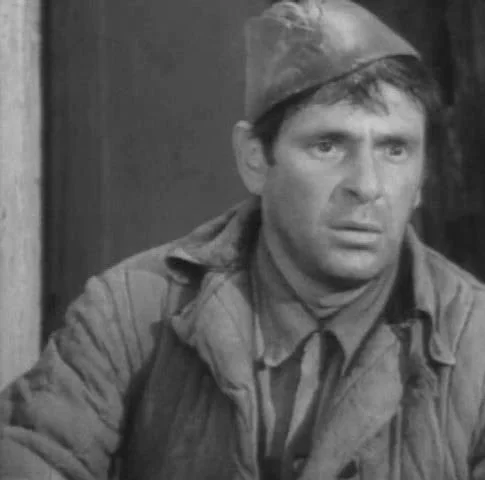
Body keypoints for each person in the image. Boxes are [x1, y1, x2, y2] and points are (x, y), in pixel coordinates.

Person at [2, 0, 485, 479]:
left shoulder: (475, 341)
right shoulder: (132, 313)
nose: (367, 185)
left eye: (395, 149)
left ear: (422, 179)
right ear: (254, 159)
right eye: (328, 145)